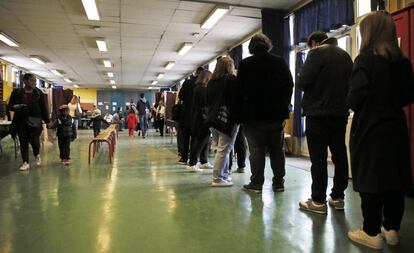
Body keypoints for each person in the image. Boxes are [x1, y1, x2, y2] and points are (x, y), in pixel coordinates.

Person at [346, 11, 414, 250]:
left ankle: (371, 232)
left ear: (369, 33)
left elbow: (355, 98)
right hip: (396, 128)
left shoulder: (364, 60)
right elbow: (408, 96)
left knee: (370, 181)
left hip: (370, 130)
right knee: (395, 180)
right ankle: (391, 229)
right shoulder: (403, 62)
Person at [297, 31, 353, 214]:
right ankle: (338, 197)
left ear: (313, 43)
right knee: (340, 155)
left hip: (318, 114)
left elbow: (303, 82)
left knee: (319, 159)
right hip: (340, 113)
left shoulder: (316, 52)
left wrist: (301, 74)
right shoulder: (345, 55)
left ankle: (318, 201)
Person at [237, 33, 293, 193]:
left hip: (252, 115)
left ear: (251, 47)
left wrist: (241, 111)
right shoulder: (279, 61)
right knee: (277, 149)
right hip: (276, 114)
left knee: (256, 149)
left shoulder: (246, 64)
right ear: (267, 45)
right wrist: (285, 105)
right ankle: (279, 183)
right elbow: (289, 84)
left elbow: (239, 91)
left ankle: (256, 183)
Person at [207, 57, 239, 187]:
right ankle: (218, 178)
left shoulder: (211, 82)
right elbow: (235, 99)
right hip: (227, 119)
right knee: (224, 149)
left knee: (219, 149)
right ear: (230, 66)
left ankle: (224, 175)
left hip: (213, 119)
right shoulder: (231, 80)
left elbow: (207, 100)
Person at [8, 73, 50, 171]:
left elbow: (44, 108)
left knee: (35, 141)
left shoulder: (39, 93)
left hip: (35, 121)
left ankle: (37, 154)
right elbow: (9, 106)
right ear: (25, 81)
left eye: (35, 81)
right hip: (21, 121)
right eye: (32, 80)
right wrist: (15, 107)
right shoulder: (17, 92)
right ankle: (25, 162)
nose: (34, 82)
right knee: (23, 142)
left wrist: (47, 121)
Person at [187, 70, 213, 172]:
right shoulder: (202, 88)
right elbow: (205, 104)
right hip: (202, 119)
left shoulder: (198, 87)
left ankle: (204, 161)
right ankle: (192, 163)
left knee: (204, 141)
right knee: (201, 141)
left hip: (198, 118)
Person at [178, 67, 204, 164]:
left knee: (185, 138)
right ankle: (193, 160)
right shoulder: (203, 85)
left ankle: (184, 158)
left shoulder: (187, 83)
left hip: (186, 114)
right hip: (197, 115)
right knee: (195, 138)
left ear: (196, 73)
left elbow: (180, 96)